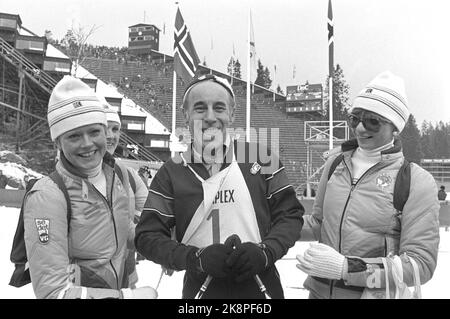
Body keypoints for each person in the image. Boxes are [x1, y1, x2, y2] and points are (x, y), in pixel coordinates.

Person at [135, 74, 304, 299]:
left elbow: (290, 215)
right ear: (186, 115)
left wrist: (266, 252)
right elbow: (147, 236)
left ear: (231, 114)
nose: (210, 117)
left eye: (219, 108)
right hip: (200, 292)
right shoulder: (171, 172)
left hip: (261, 287)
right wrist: (193, 258)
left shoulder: (261, 158)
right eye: (200, 108)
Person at [296, 71, 440, 299]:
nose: (361, 128)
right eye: (355, 118)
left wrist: (348, 269)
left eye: (373, 121)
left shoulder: (416, 181)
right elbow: (318, 223)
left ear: (395, 127)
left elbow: (419, 265)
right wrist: (270, 223)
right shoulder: (336, 163)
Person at [23, 76, 156, 299]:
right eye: (74, 135)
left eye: (94, 132)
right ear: (57, 142)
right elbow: (52, 292)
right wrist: (126, 297)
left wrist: (170, 250)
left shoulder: (117, 175)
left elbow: (123, 233)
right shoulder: (47, 196)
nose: (87, 143)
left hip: (120, 284)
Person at [103, 101, 149, 288]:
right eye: (104, 128)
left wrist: (137, 231)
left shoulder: (124, 171)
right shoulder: (76, 172)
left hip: (125, 270)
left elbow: (149, 206)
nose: (110, 135)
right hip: (89, 276)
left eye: (115, 129)